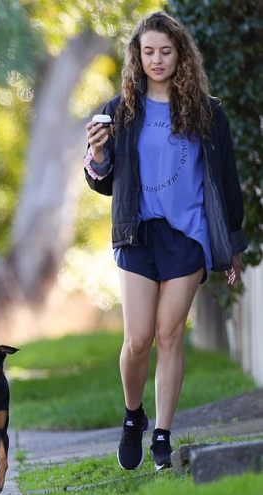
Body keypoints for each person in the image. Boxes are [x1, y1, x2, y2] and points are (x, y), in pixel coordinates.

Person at [84, 12, 246, 471]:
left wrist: (232, 245)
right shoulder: (120, 110)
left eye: (165, 51)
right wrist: (97, 155)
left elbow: (228, 183)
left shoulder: (208, 113)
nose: (156, 60)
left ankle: (162, 434)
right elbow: (103, 181)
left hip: (188, 236)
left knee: (169, 333)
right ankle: (134, 416)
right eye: (147, 51)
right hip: (137, 234)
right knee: (137, 340)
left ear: (181, 55)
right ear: (137, 55)